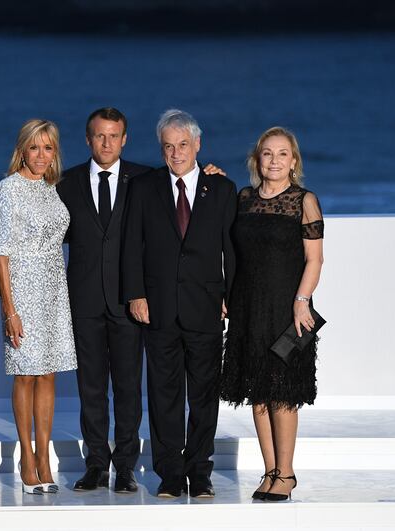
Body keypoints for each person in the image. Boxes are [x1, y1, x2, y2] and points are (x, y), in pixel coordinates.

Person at [122, 109, 236, 499]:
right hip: (159, 308)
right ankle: (170, 473)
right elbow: (131, 246)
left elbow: (231, 250)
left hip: (204, 307)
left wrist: (229, 298)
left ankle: (199, 472)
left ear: (197, 145)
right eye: (169, 146)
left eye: (183, 145)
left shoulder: (221, 189)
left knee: (204, 395)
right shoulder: (143, 186)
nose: (176, 153)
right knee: (164, 394)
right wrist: (135, 294)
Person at [221, 127, 324, 502]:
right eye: (268, 154)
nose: (275, 160)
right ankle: (270, 472)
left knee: (282, 393)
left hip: (287, 309)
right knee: (257, 394)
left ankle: (288, 473)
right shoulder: (244, 199)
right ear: (257, 159)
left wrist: (302, 300)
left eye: (283, 154)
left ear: (293, 161)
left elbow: (315, 259)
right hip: (248, 306)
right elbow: (229, 249)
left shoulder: (303, 201)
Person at [56, 108, 150, 493]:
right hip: (84, 302)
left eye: (114, 136)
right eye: (99, 136)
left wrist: (210, 176)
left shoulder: (147, 180)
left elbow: (187, 187)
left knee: (128, 388)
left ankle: (125, 466)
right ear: (88, 138)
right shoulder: (65, 182)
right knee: (90, 388)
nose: (107, 143)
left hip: (130, 302)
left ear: (124, 139)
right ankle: (96, 463)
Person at [0, 119, 77, 495]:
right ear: (22, 150)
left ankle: (45, 457)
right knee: (25, 374)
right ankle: (26, 457)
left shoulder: (53, 189)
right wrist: (9, 309)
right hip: (23, 292)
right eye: (34, 148)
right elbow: (1, 252)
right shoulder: (8, 189)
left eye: (48, 148)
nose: (42, 155)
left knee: (49, 375)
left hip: (55, 290)